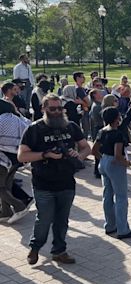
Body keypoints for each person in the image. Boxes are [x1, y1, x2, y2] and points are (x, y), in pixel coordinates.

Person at [18, 94, 91, 265]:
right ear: (43, 109)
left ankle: (59, 251)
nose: (57, 112)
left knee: (61, 220)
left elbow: (87, 148)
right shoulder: (34, 129)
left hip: (66, 183)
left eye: (60, 108)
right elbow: (22, 156)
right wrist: (45, 154)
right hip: (43, 184)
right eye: (52, 109)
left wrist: (78, 155)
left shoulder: (71, 127)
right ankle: (35, 248)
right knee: (44, 218)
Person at [93, 107, 131, 240]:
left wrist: (102, 159)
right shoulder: (117, 134)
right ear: (116, 118)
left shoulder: (102, 131)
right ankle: (123, 229)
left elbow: (94, 150)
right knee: (121, 197)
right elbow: (118, 155)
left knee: (107, 195)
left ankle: (110, 225)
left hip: (104, 161)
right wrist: (126, 163)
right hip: (115, 164)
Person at [0, 101, 32, 224]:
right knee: (6, 185)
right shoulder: (18, 119)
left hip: (3, 157)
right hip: (17, 157)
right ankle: (5, 212)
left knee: (1, 187)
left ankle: (19, 206)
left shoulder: (1, 120)